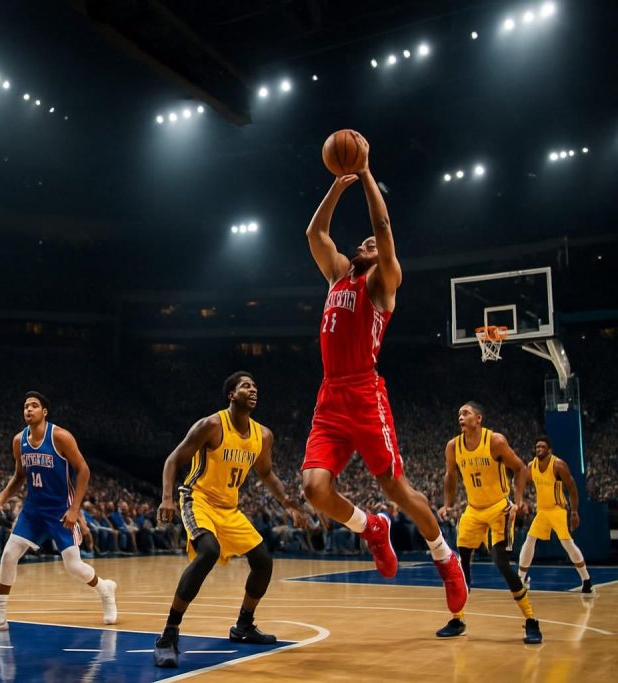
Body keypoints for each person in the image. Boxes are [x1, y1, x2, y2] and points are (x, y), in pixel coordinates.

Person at [300, 132, 467, 616]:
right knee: (313, 489)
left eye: (375, 243)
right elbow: (314, 235)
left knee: (396, 487)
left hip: (364, 391)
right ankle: (371, 527)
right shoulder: (337, 275)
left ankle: (445, 558)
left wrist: (367, 172)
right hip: (330, 396)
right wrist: (338, 183)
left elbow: (384, 225)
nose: (369, 241)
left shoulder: (383, 284)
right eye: (364, 241)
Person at [153, 372, 306, 668]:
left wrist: (288, 501)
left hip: (229, 509)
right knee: (207, 552)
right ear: (231, 395)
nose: (253, 389)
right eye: (245, 385)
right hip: (197, 499)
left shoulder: (263, 435)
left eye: (255, 386)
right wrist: (167, 497)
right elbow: (173, 459)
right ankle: (168, 634)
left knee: (263, 561)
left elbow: (266, 474)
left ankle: (243, 626)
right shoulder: (211, 425)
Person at [0, 392, 117, 631]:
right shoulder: (18, 441)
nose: (28, 409)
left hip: (60, 509)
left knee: (73, 566)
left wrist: (75, 510)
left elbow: (83, 470)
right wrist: (1, 498)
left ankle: (104, 589)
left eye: (34, 406)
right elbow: (19, 476)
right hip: (33, 509)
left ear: (44, 412)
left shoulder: (60, 437)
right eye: (25, 406)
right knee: (9, 554)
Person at [436, 402, 542, 643]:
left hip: (498, 509)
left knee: (501, 563)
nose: (460, 417)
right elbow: (450, 476)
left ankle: (531, 621)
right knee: (460, 566)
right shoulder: (453, 446)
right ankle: (458, 618)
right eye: (459, 413)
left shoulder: (494, 441)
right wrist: (448, 504)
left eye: (466, 413)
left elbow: (520, 468)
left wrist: (518, 500)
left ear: (479, 418)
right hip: (473, 510)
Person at [518, 435, 592, 593]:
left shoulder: (558, 465)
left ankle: (586, 580)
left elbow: (572, 487)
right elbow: (519, 480)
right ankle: (520, 579)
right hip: (542, 511)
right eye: (537, 447)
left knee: (567, 543)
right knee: (529, 540)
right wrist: (521, 500)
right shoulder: (532, 466)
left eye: (542, 447)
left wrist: (574, 512)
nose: (539, 449)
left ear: (549, 450)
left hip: (557, 509)